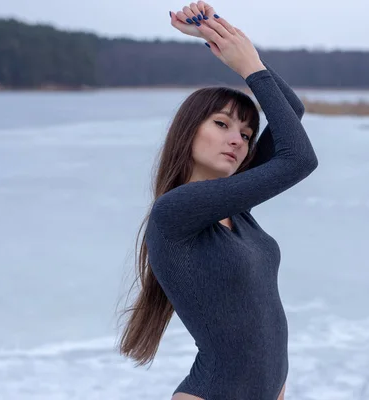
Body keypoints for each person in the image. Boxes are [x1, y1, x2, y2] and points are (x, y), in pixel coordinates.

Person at [118, 2, 319, 399]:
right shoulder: (176, 211)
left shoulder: (234, 210)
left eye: (246, 135)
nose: (237, 140)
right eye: (222, 124)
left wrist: (226, 40)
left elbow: (291, 111)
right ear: (189, 131)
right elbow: (300, 158)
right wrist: (247, 68)